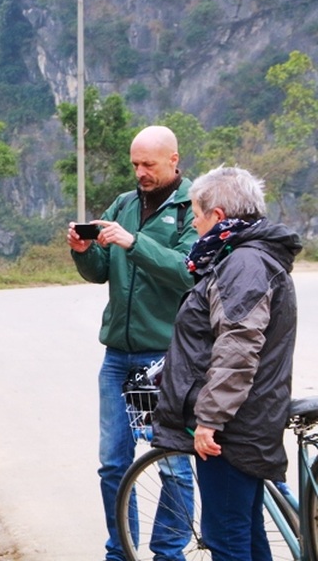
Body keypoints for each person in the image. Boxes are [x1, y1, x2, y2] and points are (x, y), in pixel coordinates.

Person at [153, 166, 301, 561]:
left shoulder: (244, 265)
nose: (195, 225)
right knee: (245, 534)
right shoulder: (246, 257)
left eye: (198, 216)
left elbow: (238, 347)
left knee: (227, 540)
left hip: (233, 428)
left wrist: (209, 420)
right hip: (244, 421)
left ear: (217, 216)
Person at [68, 125, 199, 561]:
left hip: (164, 358)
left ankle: (168, 553)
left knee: (173, 463)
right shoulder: (124, 204)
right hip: (117, 356)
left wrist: (134, 242)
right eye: (135, 164)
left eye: (149, 164)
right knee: (112, 464)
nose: (140, 172)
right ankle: (120, 550)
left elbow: (188, 270)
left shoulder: (191, 208)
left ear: (174, 160)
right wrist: (83, 250)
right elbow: (101, 270)